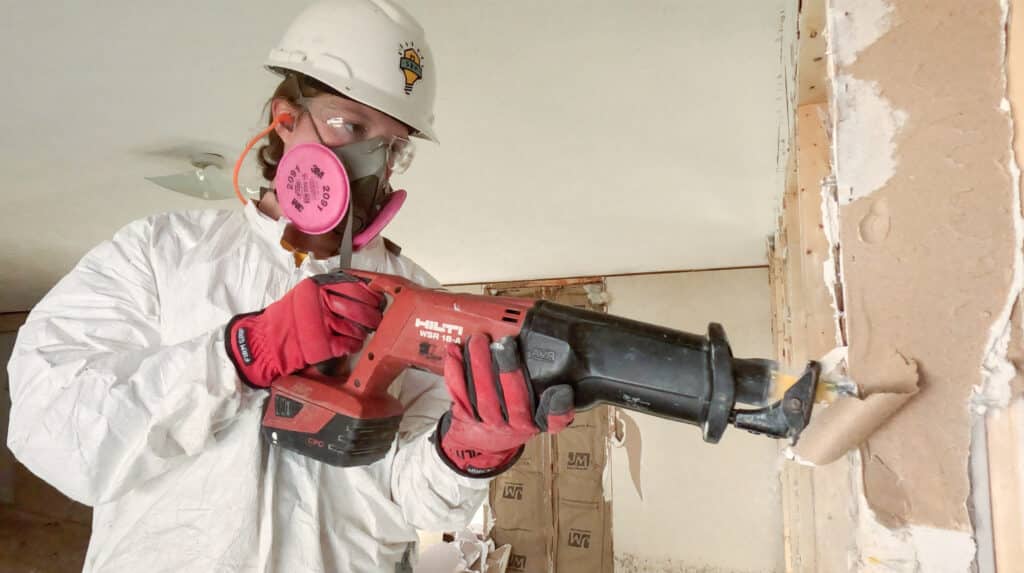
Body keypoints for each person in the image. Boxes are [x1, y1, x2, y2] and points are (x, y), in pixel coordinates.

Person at [5, 1, 574, 571]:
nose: (371, 162)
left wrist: (467, 449)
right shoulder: (159, 254)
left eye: (393, 145)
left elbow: (418, 501)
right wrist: (239, 353)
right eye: (350, 125)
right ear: (283, 119)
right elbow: (55, 430)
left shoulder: (418, 300)